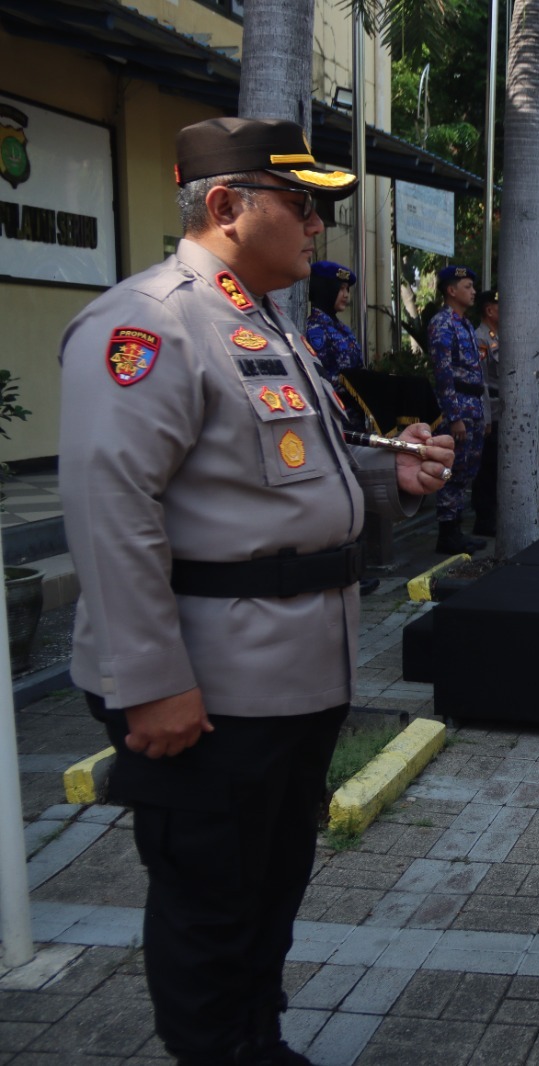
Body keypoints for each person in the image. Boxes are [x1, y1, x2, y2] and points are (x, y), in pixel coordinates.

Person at [57, 116, 455, 1066]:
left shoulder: (261, 317)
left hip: (294, 670)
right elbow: (113, 511)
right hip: (210, 680)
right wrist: (147, 681)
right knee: (210, 902)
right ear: (227, 206)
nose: (318, 225)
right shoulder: (147, 323)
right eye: (302, 204)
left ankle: (255, 1043)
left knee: (270, 887)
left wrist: (382, 479)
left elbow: (269, 474)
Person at [428, 264, 488, 554]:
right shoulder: (443, 323)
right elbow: (443, 374)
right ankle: (447, 534)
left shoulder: (464, 323)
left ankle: (457, 531)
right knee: (450, 472)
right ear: (451, 290)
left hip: (473, 406)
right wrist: (454, 417)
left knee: (466, 471)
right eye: (467, 286)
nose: (473, 291)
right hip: (458, 408)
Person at [304, 260, 363, 384]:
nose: (346, 295)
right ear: (326, 290)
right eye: (341, 289)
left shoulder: (341, 328)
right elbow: (319, 377)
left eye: (347, 289)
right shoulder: (315, 329)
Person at [471, 288, 501, 536]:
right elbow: (481, 381)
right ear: (489, 310)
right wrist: (487, 417)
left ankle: (492, 514)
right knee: (486, 469)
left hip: (503, 410)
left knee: (496, 467)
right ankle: (483, 520)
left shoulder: (499, 336)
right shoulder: (481, 338)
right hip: (490, 409)